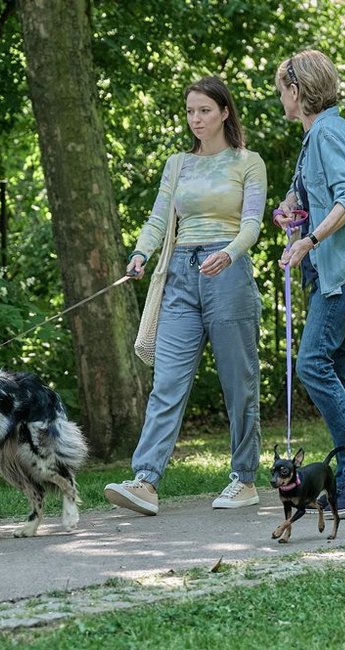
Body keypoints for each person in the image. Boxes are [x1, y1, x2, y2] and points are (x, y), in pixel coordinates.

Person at [104, 76, 268, 516]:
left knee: (239, 383)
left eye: (205, 111)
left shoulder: (248, 162)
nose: (196, 120)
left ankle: (245, 478)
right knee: (167, 382)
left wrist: (230, 254)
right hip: (179, 272)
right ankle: (146, 481)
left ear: (224, 113)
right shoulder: (178, 164)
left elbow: (252, 224)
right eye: (191, 111)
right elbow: (159, 218)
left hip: (228, 273)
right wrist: (140, 253)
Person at [272, 50, 345, 516]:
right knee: (335, 367)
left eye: (282, 89)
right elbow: (317, 195)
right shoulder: (320, 135)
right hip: (338, 268)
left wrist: (310, 240)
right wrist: (293, 210)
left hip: (343, 268)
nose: (280, 98)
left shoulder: (327, 132)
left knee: (313, 364)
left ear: (297, 92)